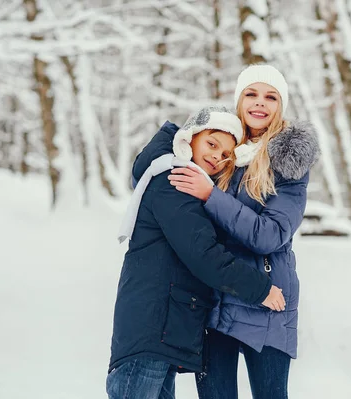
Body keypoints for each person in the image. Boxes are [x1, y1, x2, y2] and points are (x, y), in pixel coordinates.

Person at [107, 105, 287, 399]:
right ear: (189, 137)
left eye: (226, 154)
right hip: (150, 333)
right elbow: (205, 256)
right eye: (212, 143)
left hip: (161, 336)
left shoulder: (186, 182)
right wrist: (261, 288)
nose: (217, 156)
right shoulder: (173, 181)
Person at [168, 65, 320, 398]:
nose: (259, 104)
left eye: (271, 97)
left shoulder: (287, 161)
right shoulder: (222, 150)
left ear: (281, 105)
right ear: (239, 99)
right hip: (215, 300)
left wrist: (211, 195)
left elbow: (270, 235)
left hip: (266, 301)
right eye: (251, 93)